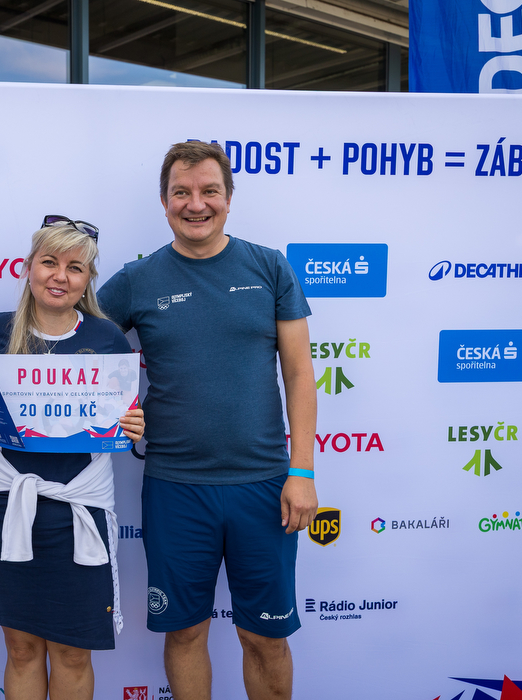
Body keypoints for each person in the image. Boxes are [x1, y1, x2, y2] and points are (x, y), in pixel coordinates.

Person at [97, 141, 318, 700]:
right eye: (182, 193)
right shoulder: (137, 279)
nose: (196, 204)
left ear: (228, 198)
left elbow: (299, 375)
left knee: (265, 638)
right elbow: (75, 346)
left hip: (264, 487)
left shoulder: (269, 266)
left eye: (209, 191)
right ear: (165, 202)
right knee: (185, 632)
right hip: (175, 488)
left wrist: (302, 471)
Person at [0, 217, 145, 700]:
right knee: (21, 649)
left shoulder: (108, 339)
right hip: (7, 506)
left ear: (87, 279)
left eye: (75, 267)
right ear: (29, 267)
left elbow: (122, 417)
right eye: (49, 262)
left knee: (73, 652)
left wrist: (133, 424)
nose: (60, 276)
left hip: (82, 507)